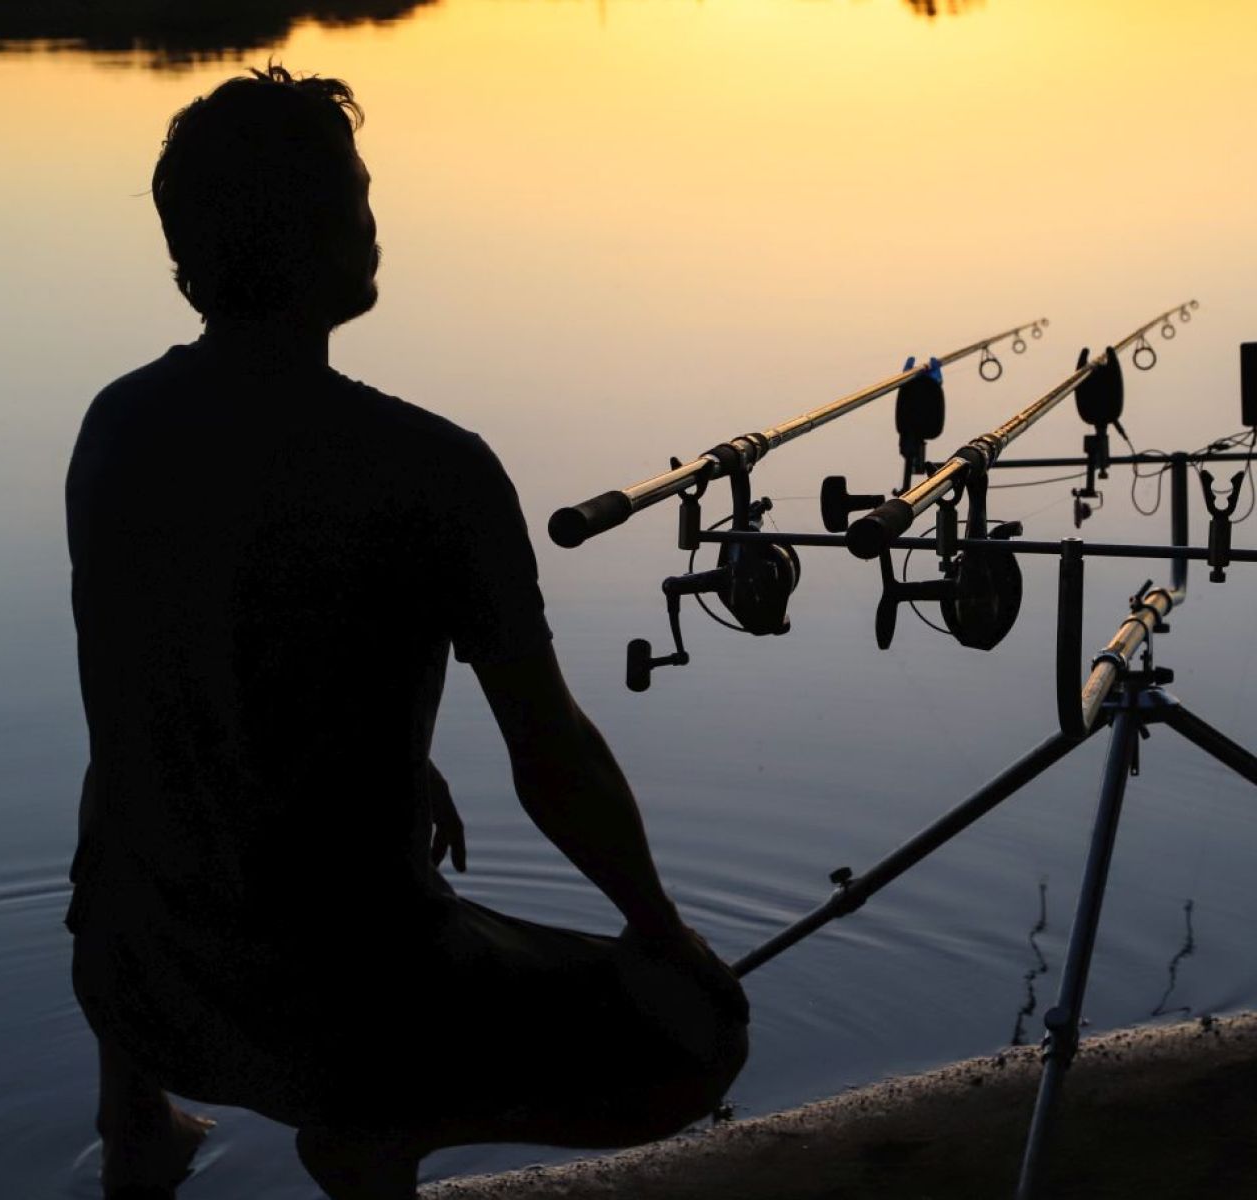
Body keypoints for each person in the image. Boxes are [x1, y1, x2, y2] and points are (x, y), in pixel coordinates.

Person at [64, 66, 748, 1199]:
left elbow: (177, 674)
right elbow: (550, 754)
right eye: (355, 198)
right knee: (700, 1033)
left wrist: (386, 755)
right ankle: (372, 1135)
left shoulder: (119, 424)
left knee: (127, 757)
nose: (373, 222)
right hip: (339, 1018)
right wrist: (660, 928)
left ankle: (134, 1119)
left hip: (132, 981)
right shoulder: (434, 471)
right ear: (314, 233)